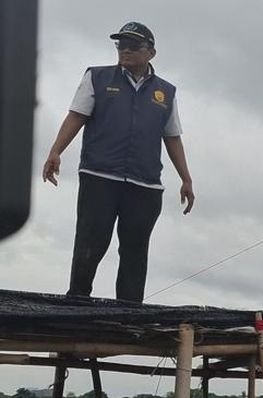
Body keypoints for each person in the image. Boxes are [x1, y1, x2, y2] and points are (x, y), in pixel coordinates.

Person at [42, 21, 195, 303]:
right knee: (91, 242)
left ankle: (129, 312)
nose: (125, 51)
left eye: (133, 46)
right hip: (100, 176)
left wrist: (186, 178)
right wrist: (56, 150)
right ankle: (76, 303)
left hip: (145, 183)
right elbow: (77, 115)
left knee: (135, 250)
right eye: (120, 45)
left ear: (151, 52)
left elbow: (172, 137)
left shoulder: (166, 92)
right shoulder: (97, 78)